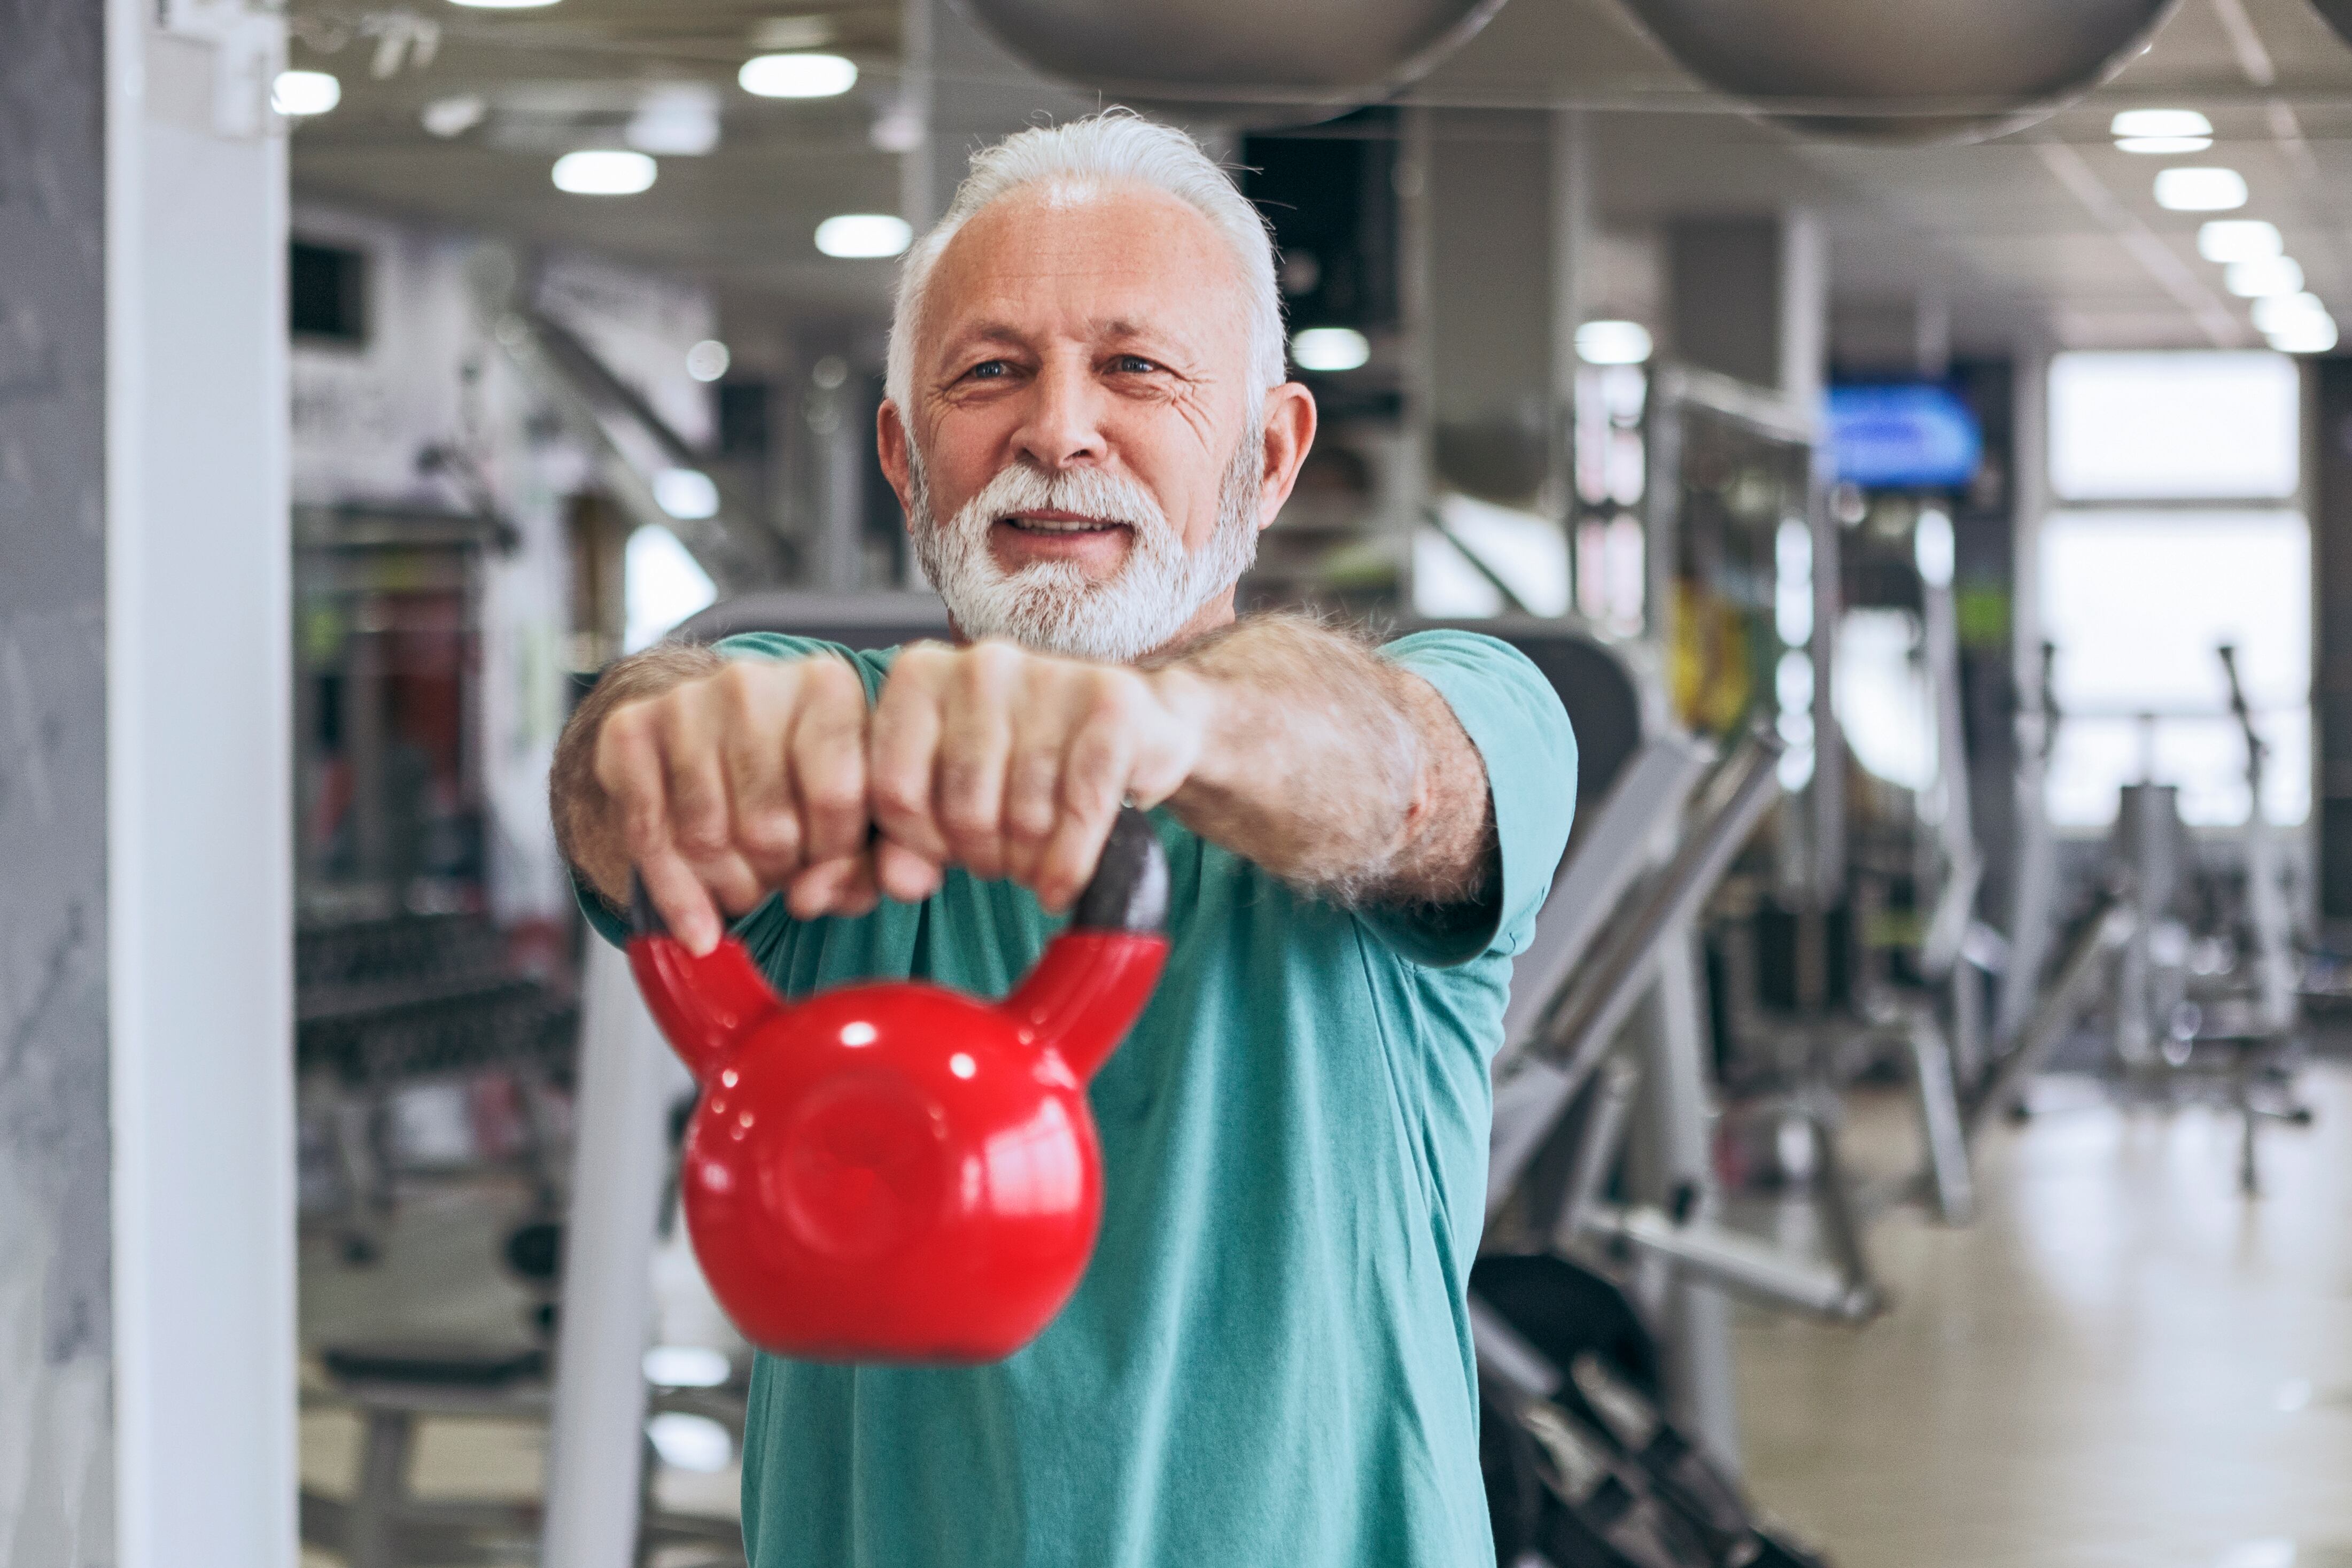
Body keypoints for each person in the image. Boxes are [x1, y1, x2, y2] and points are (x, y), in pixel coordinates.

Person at [550, 112, 1577, 1568]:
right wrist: (655, 742)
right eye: (991, 371)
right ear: (906, 460)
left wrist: (1168, 734)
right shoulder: (846, 740)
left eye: (1136, 367)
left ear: (1269, 456)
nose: (1056, 428)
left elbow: (1391, 771)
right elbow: (633, 760)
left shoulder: (1470, 710)